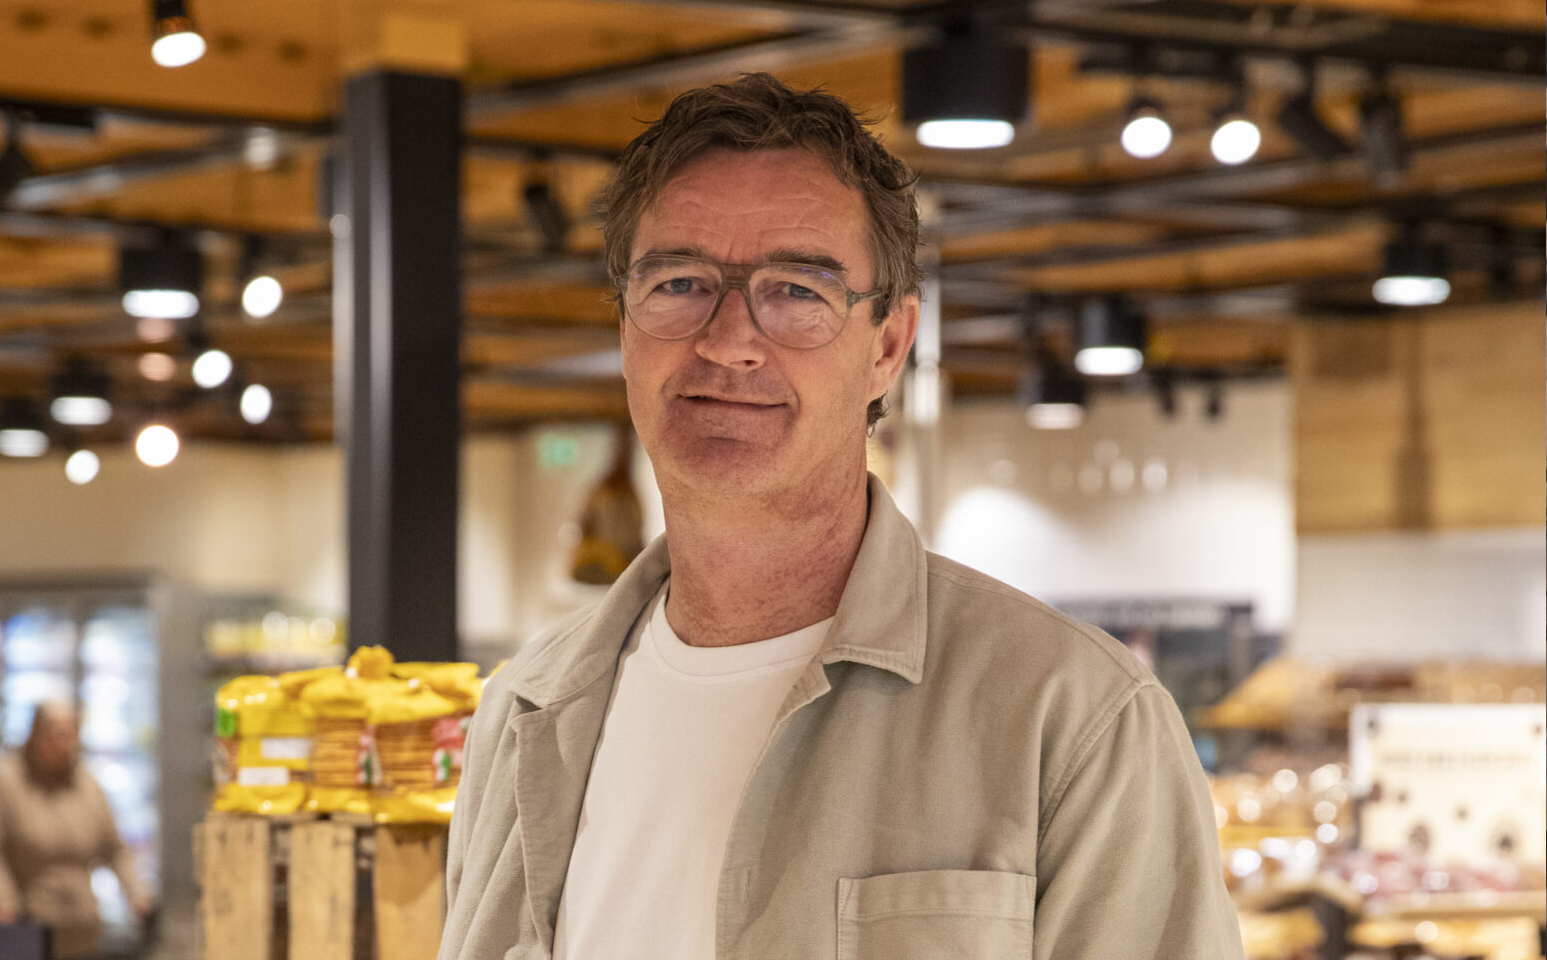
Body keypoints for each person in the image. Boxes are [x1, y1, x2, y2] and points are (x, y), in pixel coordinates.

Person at [439, 73, 1243, 960]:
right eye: (676, 283)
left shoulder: (1072, 719)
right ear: (625, 327)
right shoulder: (522, 713)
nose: (728, 339)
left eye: (797, 292)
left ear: (888, 346)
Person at [0, 701, 152, 960]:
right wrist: (3, 902)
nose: (63, 743)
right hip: (26, 926)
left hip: (81, 929)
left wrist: (136, 895)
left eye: (69, 734)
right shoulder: (7, 781)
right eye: (55, 733)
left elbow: (114, 848)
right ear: (36, 734)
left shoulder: (87, 783)